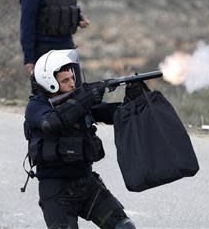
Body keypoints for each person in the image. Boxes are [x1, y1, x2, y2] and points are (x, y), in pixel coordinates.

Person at [23, 49, 137, 229]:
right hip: (56, 192)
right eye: (65, 81)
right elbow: (50, 123)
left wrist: (132, 100)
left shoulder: (78, 99)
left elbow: (111, 112)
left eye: (72, 78)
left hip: (87, 185)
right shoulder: (36, 106)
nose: (72, 84)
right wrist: (86, 98)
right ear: (50, 83)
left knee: (124, 226)